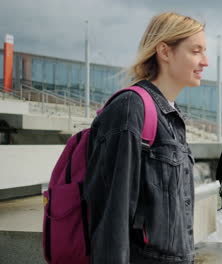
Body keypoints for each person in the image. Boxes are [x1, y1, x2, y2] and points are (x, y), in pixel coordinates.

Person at [84, 12, 208, 264]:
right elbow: (112, 216)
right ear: (164, 51)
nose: (205, 61)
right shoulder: (130, 108)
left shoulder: (172, 116)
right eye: (196, 51)